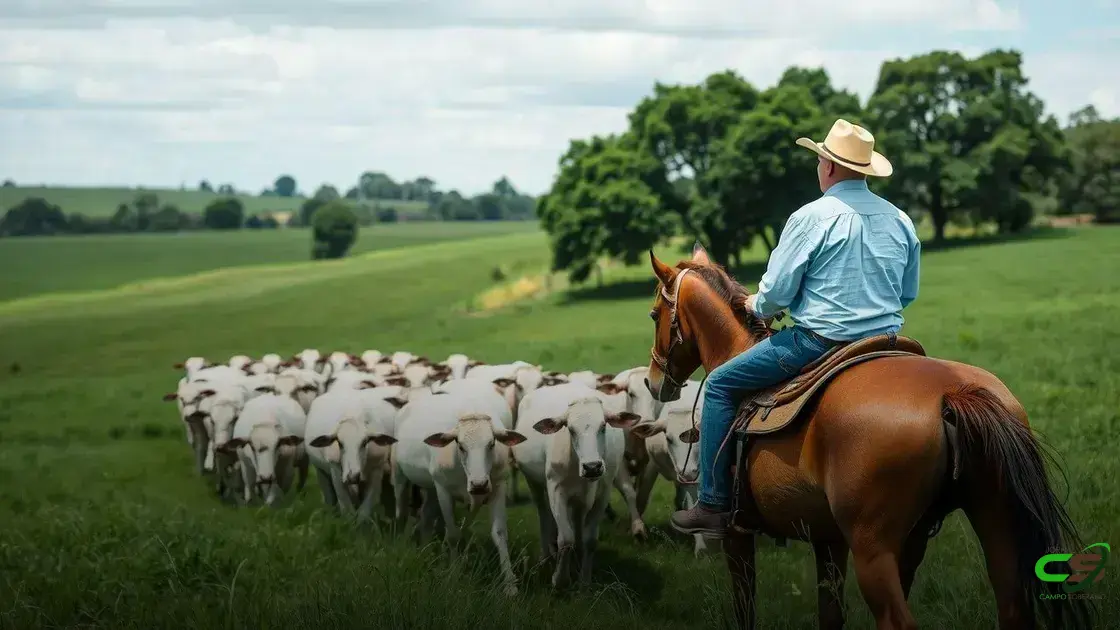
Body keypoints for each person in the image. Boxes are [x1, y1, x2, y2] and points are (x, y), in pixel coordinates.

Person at [669, 118, 922, 539]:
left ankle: (713, 503)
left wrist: (755, 304)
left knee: (719, 386)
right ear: (865, 170)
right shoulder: (901, 219)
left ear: (828, 167)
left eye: (820, 159)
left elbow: (777, 294)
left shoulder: (811, 216)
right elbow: (907, 293)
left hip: (818, 342)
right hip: (888, 341)